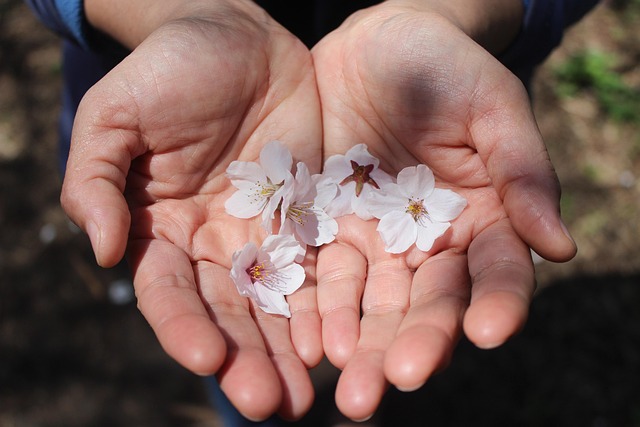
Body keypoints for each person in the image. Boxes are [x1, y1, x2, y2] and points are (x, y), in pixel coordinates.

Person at [26, 0, 599, 424]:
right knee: (233, 345)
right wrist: (183, 14)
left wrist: (450, 12)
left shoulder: (405, 179)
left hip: (439, 134)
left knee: (381, 356)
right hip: (175, 164)